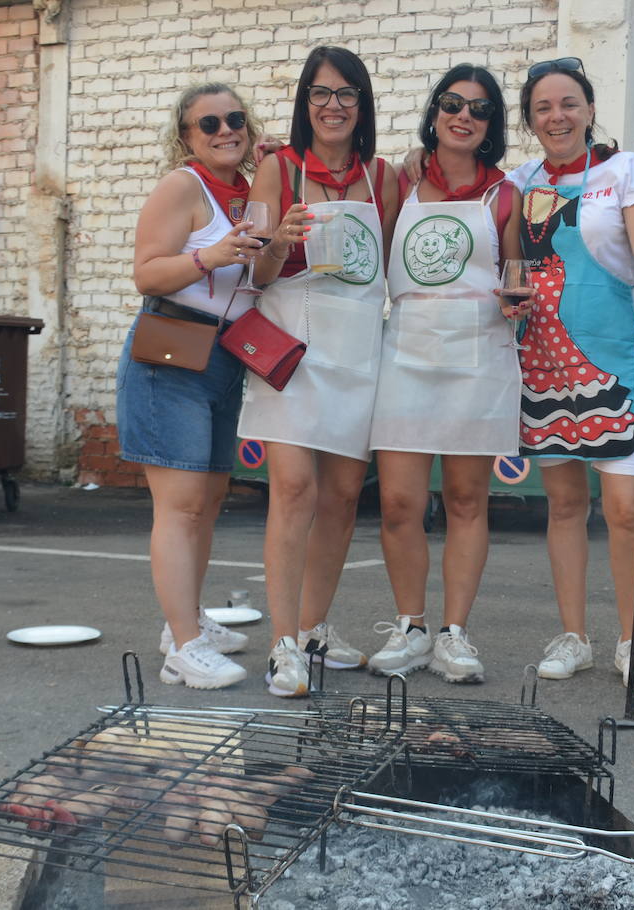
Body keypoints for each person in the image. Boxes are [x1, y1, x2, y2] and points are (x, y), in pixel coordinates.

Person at [502, 58, 634, 688]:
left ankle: (633, 639)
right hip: (544, 353)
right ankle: (574, 635)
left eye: (568, 103)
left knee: (624, 508)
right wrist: (508, 294)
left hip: (618, 351)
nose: (557, 116)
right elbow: (514, 263)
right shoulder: (518, 182)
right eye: (543, 107)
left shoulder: (624, 170)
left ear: (590, 109)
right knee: (566, 503)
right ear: (531, 120)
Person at [241, 46, 400, 697]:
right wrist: (280, 239)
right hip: (293, 349)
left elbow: (389, 267)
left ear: (361, 106)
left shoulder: (383, 178)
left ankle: (313, 628)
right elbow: (252, 271)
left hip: (357, 347)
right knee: (296, 491)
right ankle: (282, 645)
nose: (333, 105)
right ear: (305, 104)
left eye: (346, 94)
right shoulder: (277, 169)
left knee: (339, 499)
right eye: (321, 94)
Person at [365, 65, 522, 684]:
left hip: (479, 360)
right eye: (452, 104)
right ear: (434, 113)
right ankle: (411, 627)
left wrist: (516, 297)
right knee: (401, 503)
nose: (464, 116)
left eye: (479, 110)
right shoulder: (399, 184)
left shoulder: (506, 195)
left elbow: (514, 273)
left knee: (465, 500)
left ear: (491, 127)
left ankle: (455, 634)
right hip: (405, 352)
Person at [119, 83, 264, 689]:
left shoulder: (252, 191)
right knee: (178, 507)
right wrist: (215, 256)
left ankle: (189, 620)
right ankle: (182, 644)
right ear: (186, 136)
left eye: (235, 119)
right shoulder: (184, 186)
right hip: (170, 356)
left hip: (223, 358)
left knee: (206, 504)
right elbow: (146, 271)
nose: (224, 130)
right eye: (209, 124)